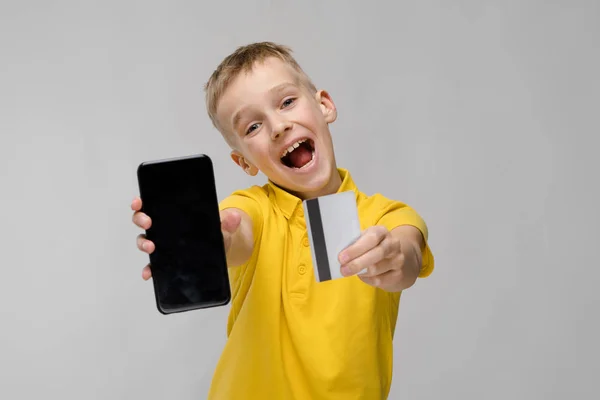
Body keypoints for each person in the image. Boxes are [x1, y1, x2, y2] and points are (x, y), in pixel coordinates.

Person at [131, 42, 435, 399]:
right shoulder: (252, 207)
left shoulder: (388, 216)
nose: (277, 126)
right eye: (253, 126)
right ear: (245, 163)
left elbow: (407, 252)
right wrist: (210, 240)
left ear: (325, 105)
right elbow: (236, 233)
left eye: (287, 102)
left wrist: (395, 257)